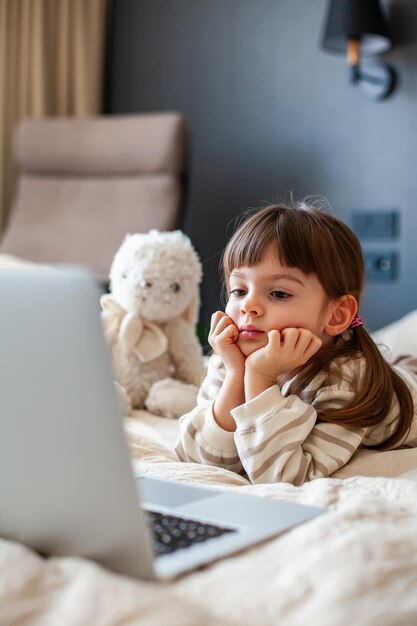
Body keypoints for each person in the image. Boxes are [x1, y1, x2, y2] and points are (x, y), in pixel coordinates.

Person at [175, 199, 417, 485]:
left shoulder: (343, 382)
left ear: (337, 315)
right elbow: (200, 459)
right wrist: (237, 376)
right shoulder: (231, 359)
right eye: (239, 290)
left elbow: (285, 475)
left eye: (278, 293)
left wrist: (260, 378)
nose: (247, 306)